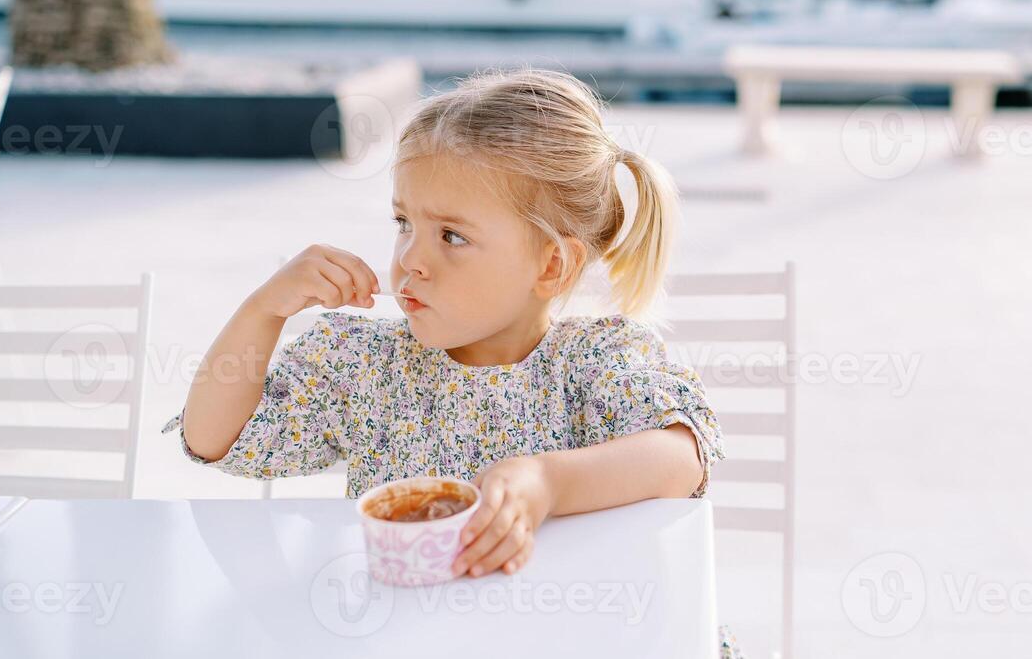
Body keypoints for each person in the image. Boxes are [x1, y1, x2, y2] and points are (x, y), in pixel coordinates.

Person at [162, 65, 743, 657]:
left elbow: (681, 458)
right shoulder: (368, 367)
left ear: (551, 266)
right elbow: (214, 439)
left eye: (453, 237)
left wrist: (546, 480)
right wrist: (262, 312)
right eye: (403, 223)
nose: (410, 259)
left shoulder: (595, 361)